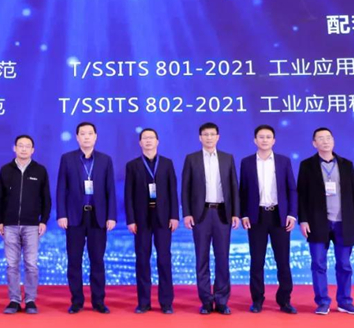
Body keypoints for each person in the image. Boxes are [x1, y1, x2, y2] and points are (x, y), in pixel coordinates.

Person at [297, 127, 354, 315]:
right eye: (321, 138)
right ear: (314, 143)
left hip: (344, 222)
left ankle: (345, 301)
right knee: (318, 264)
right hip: (318, 222)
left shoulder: (346, 164)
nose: (325, 141)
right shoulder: (307, 165)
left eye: (328, 138)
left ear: (333, 141)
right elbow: (301, 195)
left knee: (344, 265)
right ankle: (322, 302)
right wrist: (303, 220)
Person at [56, 122, 117, 314]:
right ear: (77, 137)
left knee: (97, 260)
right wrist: (62, 214)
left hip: (98, 217)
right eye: (83, 134)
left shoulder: (105, 160)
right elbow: (61, 188)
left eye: (90, 133)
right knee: (74, 261)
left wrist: (111, 216)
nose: (86, 137)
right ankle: (76, 301)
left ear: (96, 136)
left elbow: (110, 190)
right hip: (74, 216)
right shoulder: (67, 159)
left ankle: (98, 301)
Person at [181, 122, 240, 315]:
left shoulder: (227, 158)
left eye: (212, 134)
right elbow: (185, 188)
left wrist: (235, 213)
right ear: (200, 138)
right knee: (202, 258)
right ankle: (206, 300)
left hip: (222, 214)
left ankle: (222, 300)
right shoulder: (191, 159)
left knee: (222, 258)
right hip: (201, 215)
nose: (209, 137)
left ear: (218, 137)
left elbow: (234, 187)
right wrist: (187, 213)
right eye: (205, 134)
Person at [239, 125, 298, 314]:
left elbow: (292, 189)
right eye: (261, 137)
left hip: (279, 217)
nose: (264, 140)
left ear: (274, 140)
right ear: (255, 140)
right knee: (257, 261)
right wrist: (244, 214)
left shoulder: (283, 161)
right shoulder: (247, 162)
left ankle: (284, 301)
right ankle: (257, 300)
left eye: (268, 137)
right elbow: (243, 191)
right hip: (256, 217)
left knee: (283, 261)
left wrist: (292, 214)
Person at [124, 128, 179, 314]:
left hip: (163, 218)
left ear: (157, 141)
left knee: (164, 259)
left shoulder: (167, 163)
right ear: (140, 143)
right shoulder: (132, 165)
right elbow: (128, 195)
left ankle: (166, 303)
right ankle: (143, 302)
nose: (148, 141)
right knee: (142, 260)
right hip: (141, 220)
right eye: (145, 138)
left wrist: (174, 216)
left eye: (151, 138)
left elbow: (173, 191)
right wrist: (131, 219)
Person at [0, 135, 52, 314]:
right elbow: (0, 198)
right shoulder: (6, 170)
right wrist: (0, 221)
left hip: (32, 225)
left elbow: (46, 198)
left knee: (31, 264)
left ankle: (30, 300)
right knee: (12, 265)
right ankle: (14, 300)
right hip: (10, 224)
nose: (24, 149)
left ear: (33, 150)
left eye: (27, 146)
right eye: (20, 145)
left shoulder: (40, 170)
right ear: (14, 148)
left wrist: (43, 220)